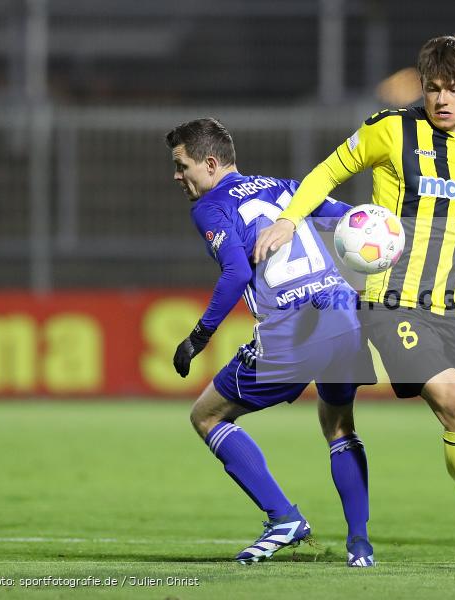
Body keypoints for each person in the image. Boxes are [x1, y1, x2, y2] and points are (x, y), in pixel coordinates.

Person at [254, 36, 455, 572]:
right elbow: (328, 171)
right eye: (432, 89)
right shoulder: (391, 129)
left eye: (453, 90)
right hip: (395, 304)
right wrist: (289, 218)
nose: (441, 100)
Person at [166, 117, 376, 567]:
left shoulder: (209, 208)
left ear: (209, 162)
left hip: (293, 332)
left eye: (182, 166)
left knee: (206, 415)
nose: (177, 176)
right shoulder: (286, 186)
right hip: (343, 316)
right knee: (340, 426)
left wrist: (198, 336)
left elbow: (238, 272)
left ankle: (283, 518)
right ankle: (359, 545)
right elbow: (347, 218)